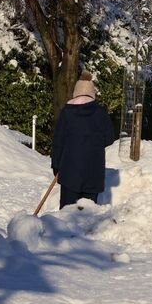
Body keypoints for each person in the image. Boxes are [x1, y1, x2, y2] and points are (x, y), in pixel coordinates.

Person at [51, 71, 116, 208]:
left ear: (76, 93)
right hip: (93, 172)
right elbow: (109, 139)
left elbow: (58, 141)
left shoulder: (67, 113)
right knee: (87, 215)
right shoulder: (100, 113)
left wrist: (56, 165)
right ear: (92, 93)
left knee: (67, 214)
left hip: (69, 172)